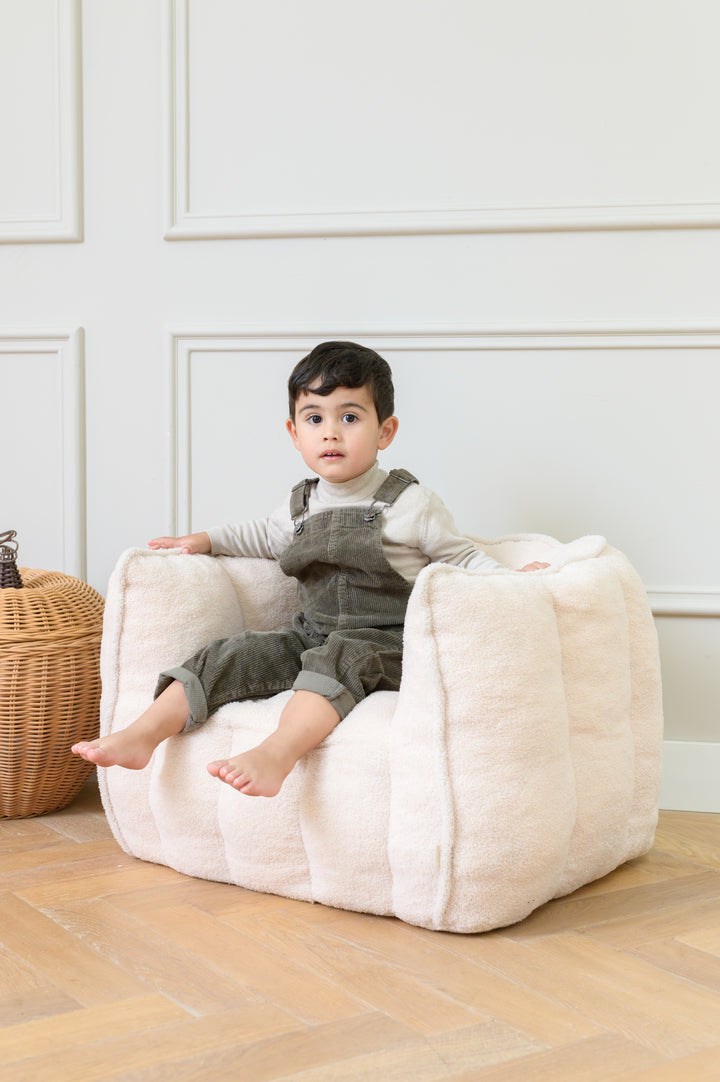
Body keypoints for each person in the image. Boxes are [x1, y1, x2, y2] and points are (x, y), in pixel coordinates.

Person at [72, 341, 548, 797]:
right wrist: (205, 541)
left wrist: (513, 579)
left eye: (350, 417)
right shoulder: (300, 504)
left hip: (386, 645)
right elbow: (260, 535)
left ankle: (276, 754)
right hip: (309, 635)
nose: (331, 432)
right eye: (315, 418)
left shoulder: (410, 504)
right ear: (294, 432)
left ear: (385, 431)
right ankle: (142, 734)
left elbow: (459, 557)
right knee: (231, 654)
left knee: (337, 658)